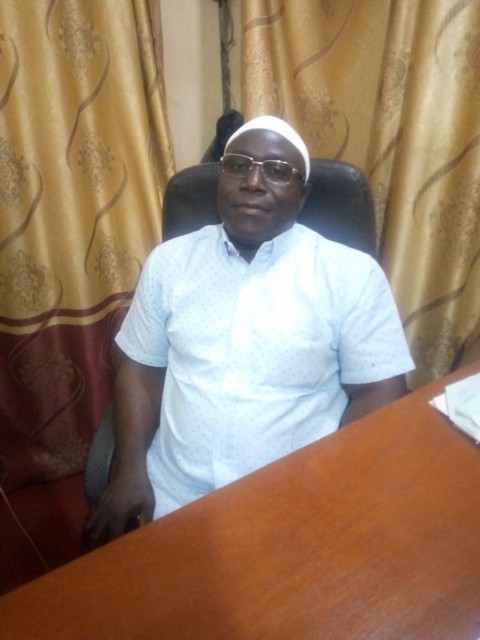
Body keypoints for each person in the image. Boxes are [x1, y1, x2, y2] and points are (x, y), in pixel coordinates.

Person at [84, 115, 414, 548]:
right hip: (170, 497)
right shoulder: (170, 262)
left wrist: (332, 485)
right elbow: (141, 370)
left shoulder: (350, 274)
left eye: (277, 171)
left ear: (302, 195)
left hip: (295, 503)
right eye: (238, 165)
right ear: (221, 179)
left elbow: (379, 392)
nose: (253, 182)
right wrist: (130, 472)